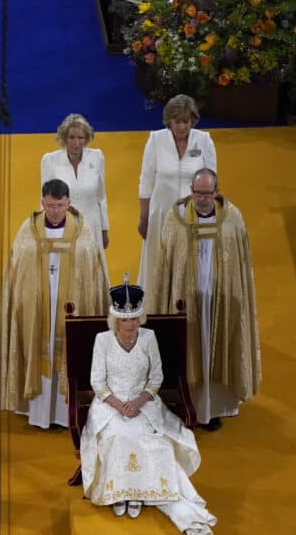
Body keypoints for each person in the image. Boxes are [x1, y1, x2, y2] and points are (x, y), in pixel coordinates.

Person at [81, 282, 216, 534]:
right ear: (115, 320)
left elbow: (156, 378)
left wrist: (139, 402)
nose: (130, 325)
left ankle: (138, 493)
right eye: (124, 319)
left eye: (134, 318)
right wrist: (120, 405)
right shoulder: (103, 340)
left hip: (144, 403)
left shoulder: (149, 337)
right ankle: (119, 492)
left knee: (155, 440)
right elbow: (96, 381)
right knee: (118, 437)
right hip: (110, 404)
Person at [146, 168, 261, 431]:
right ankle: (186, 405)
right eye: (197, 192)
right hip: (185, 301)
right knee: (188, 348)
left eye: (208, 193)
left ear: (216, 192)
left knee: (216, 347)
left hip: (221, 300)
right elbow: (165, 266)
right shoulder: (175, 220)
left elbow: (241, 264)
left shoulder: (232, 219)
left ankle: (214, 408)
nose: (202, 198)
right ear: (191, 191)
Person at [0, 179, 109, 429]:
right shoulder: (29, 231)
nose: (55, 212)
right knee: (40, 351)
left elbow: (93, 275)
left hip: (71, 307)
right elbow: (17, 272)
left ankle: (65, 413)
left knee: (68, 353)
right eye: (50, 206)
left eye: (60, 206)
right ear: (42, 203)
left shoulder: (83, 233)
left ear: (69, 203)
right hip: (37, 311)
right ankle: (39, 413)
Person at [137, 94, 216, 289]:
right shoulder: (155, 140)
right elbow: (146, 181)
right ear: (169, 121)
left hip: (194, 215)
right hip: (161, 213)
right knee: (158, 261)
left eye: (186, 121)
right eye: (177, 121)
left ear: (193, 121)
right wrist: (144, 216)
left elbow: (212, 180)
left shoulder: (204, 140)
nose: (182, 127)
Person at [40, 113, 110, 251]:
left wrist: (104, 229)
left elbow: (101, 197)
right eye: (71, 137)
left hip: (92, 225)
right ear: (64, 138)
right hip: (62, 226)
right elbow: (44, 199)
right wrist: (46, 230)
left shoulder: (97, 157)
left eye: (80, 137)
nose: (76, 143)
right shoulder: (50, 160)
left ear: (87, 139)